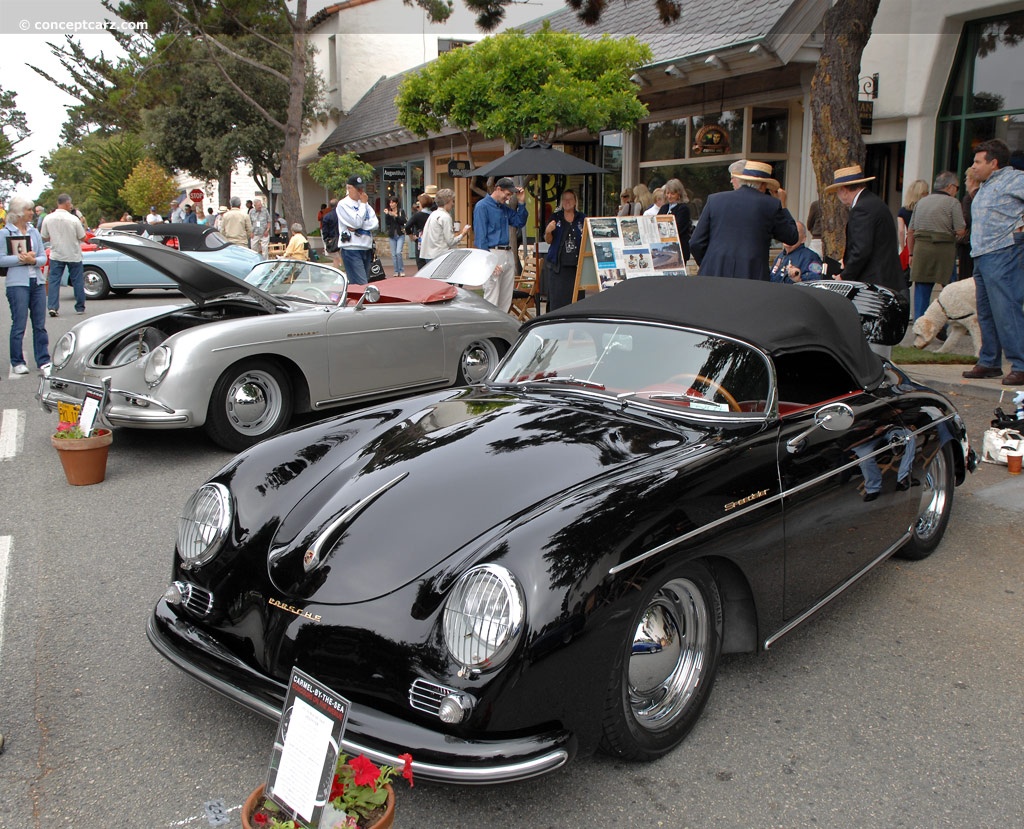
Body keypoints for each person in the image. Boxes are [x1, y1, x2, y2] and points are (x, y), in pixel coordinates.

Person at [960, 139, 1024, 385]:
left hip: (1004, 252)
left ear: (993, 163)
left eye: (978, 162)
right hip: (982, 254)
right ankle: (989, 361)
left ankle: (1020, 364)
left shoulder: (1015, 180)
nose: (973, 166)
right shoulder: (986, 185)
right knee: (986, 312)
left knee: (1006, 309)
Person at [827, 164, 906, 358]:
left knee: (874, 339)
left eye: (838, 192)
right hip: (884, 277)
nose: (839, 197)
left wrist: (845, 276)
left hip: (875, 282)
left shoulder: (862, 209)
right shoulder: (873, 204)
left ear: (844, 190)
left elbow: (861, 250)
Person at [690, 161, 797, 279]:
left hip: (713, 274)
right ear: (763, 185)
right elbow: (791, 237)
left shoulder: (715, 200)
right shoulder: (771, 205)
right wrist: (783, 204)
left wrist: (709, 263)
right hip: (751, 276)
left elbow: (695, 242)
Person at [0, 196, 51, 375]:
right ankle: (17, 361)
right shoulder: (5, 233)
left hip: (36, 281)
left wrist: (34, 260)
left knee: (39, 324)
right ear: (19, 213)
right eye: (28, 210)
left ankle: (43, 360)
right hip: (17, 283)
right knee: (19, 323)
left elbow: (43, 257)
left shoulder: (33, 231)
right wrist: (22, 259)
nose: (32, 213)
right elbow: (1, 259)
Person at [906, 171, 966, 321]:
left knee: (922, 289)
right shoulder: (953, 203)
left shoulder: (921, 202)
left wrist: (911, 253)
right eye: (957, 188)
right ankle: (947, 323)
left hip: (921, 251)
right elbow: (960, 230)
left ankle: (921, 324)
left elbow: (911, 231)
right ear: (951, 187)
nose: (956, 192)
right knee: (949, 289)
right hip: (944, 250)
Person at [473, 177, 528, 312]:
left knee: (505, 298)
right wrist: (489, 261)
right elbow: (480, 238)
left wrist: (521, 203)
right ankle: (490, 329)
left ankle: (501, 329)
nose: (508, 198)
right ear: (498, 189)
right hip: (493, 252)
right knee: (492, 297)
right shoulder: (482, 206)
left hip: (506, 253)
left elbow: (519, 222)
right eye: (507, 194)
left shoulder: (504, 208)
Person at [41, 193, 87, 317]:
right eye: (70, 204)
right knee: (77, 280)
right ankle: (80, 306)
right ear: (67, 203)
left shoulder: (48, 218)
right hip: (73, 253)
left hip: (56, 253)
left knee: (54, 280)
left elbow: (44, 236)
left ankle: (52, 306)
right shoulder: (73, 219)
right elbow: (82, 236)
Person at [544, 189, 586, 311]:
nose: (567, 202)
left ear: (575, 201)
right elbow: (548, 240)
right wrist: (548, 231)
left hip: (577, 267)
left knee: (576, 301)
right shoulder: (556, 217)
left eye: (570, 199)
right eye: (565, 199)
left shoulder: (582, 218)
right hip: (559, 268)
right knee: (558, 301)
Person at [336, 174, 379, 285]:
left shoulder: (365, 204)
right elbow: (356, 222)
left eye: (361, 188)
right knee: (361, 283)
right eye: (357, 188)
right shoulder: (343, 204)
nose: (361, 191)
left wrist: (358, 226)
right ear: (349, 188)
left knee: (363, 282)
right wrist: (359, 221)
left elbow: (374, 223)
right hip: (351, 248)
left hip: (366, 247)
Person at [419, 188, 470, 262]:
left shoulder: (433, 214)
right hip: (440, 255)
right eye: (453, 201)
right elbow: (451, 242)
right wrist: (463, 233)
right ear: (448, 201)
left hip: (429, 254)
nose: (453, 204)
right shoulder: (445, 217)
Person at [657, 178, 695, 262]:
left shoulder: (683, 208)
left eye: (672, 194)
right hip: (663, 247)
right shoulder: (664, 208)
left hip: (679, 249)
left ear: (679, 194)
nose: (669, 196)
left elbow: (678, 228)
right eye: (667, 193)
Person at [956, 168, 980, 281]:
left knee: (966, 278)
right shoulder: (983, 195)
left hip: (968, 243)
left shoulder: (968, 198)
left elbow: (966, 220)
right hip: (980, 242)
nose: (965, 182)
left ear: (971, 180)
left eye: (966, 179)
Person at [405, 193, 433, 269]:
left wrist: (411, 236)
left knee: (421, 264)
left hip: (420, 240)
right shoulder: (433, 214)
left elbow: (407, 226)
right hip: (431, 240)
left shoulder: (417, 215)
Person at [383, 196, 408, 276]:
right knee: (393, 254)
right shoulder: (389, 212)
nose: (391, 204)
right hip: (392, 235)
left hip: (400, 234)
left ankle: (401, 270)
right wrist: (388, 215)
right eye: (390, 202)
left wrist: (396, 216)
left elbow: (403, 221)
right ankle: (396, 271)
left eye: (393, 202)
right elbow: (387, 223)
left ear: (396, 203)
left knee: (398, 252)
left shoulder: (401, 211)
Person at [320, 197, 341, 268]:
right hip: (343, 237)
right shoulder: (342, 215)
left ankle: (337, 269)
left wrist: (326, 239)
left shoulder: (326, 217)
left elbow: (325, 230)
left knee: (335, 256)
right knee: (340, 255)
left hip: (332, 238)